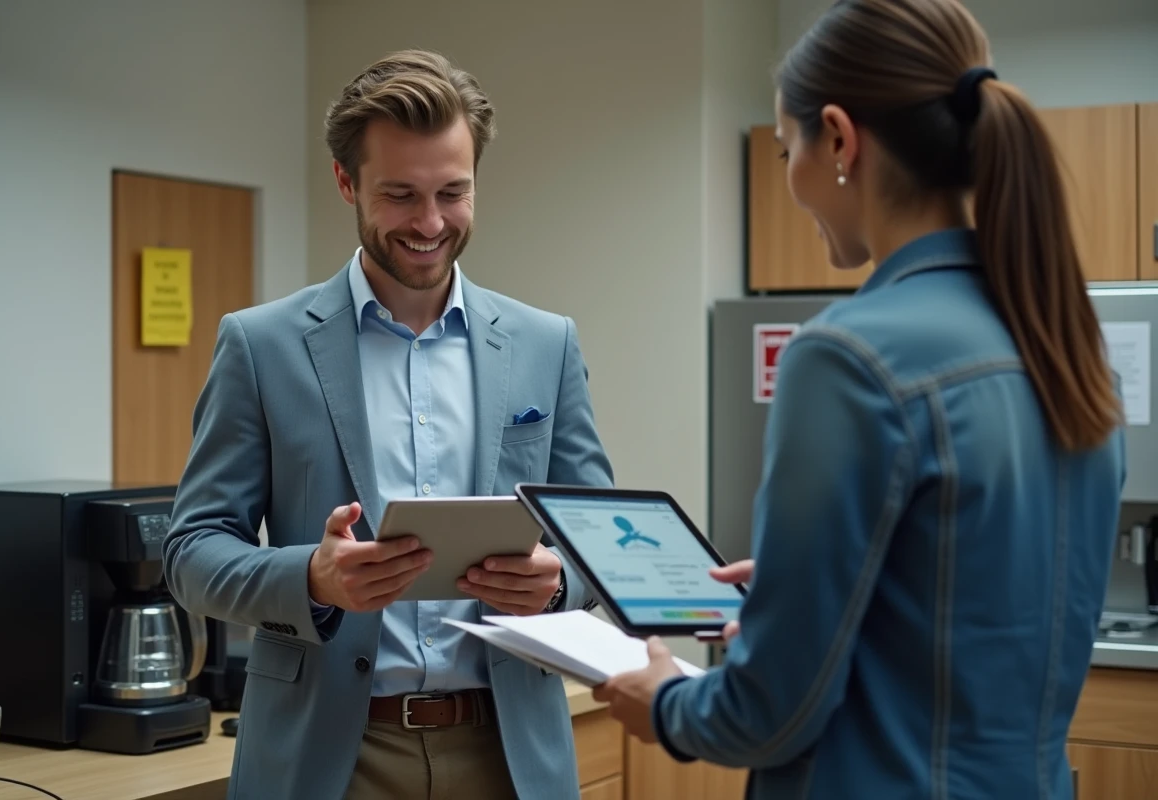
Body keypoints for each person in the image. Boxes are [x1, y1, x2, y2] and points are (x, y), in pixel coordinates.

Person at [593, 0, 1126, 797]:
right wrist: (806, 589)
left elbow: (767, 713)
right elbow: (981, 608)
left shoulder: (848, 356)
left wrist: (665, 702)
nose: (791, 179)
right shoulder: (1071, 352)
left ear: (839, 139)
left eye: (785, 151)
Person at [163, 49, 614, 800]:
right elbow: (191, 553)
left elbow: (595, 535)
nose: (431, 223)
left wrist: (559, 581)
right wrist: (311, 576)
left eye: (453, 192)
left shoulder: (547, 343)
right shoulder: (260, 345)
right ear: (347, 183)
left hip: (508, 755)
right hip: (328, 757)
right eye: (401, 195)